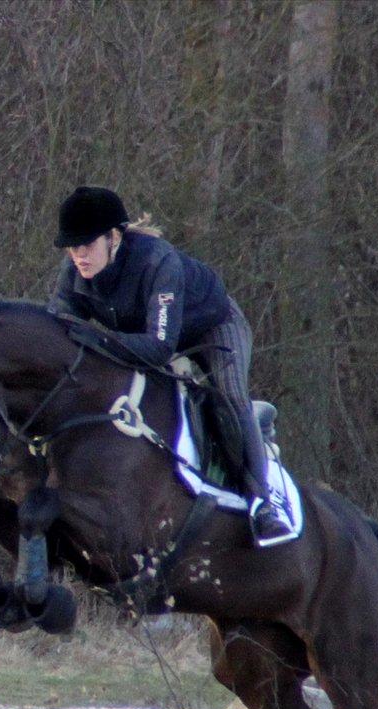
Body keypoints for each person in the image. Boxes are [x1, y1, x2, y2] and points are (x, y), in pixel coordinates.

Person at [47, 185, 291, 544]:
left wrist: (96, 339)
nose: (79, 256)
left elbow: (158, 348)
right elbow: (59, 329)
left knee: (228, 397)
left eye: (87, 245)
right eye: (72, 247)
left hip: (212, 329)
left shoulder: (157, 262)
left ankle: (263, 503)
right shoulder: (74, 274)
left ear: (113, 237)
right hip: (150, 335)